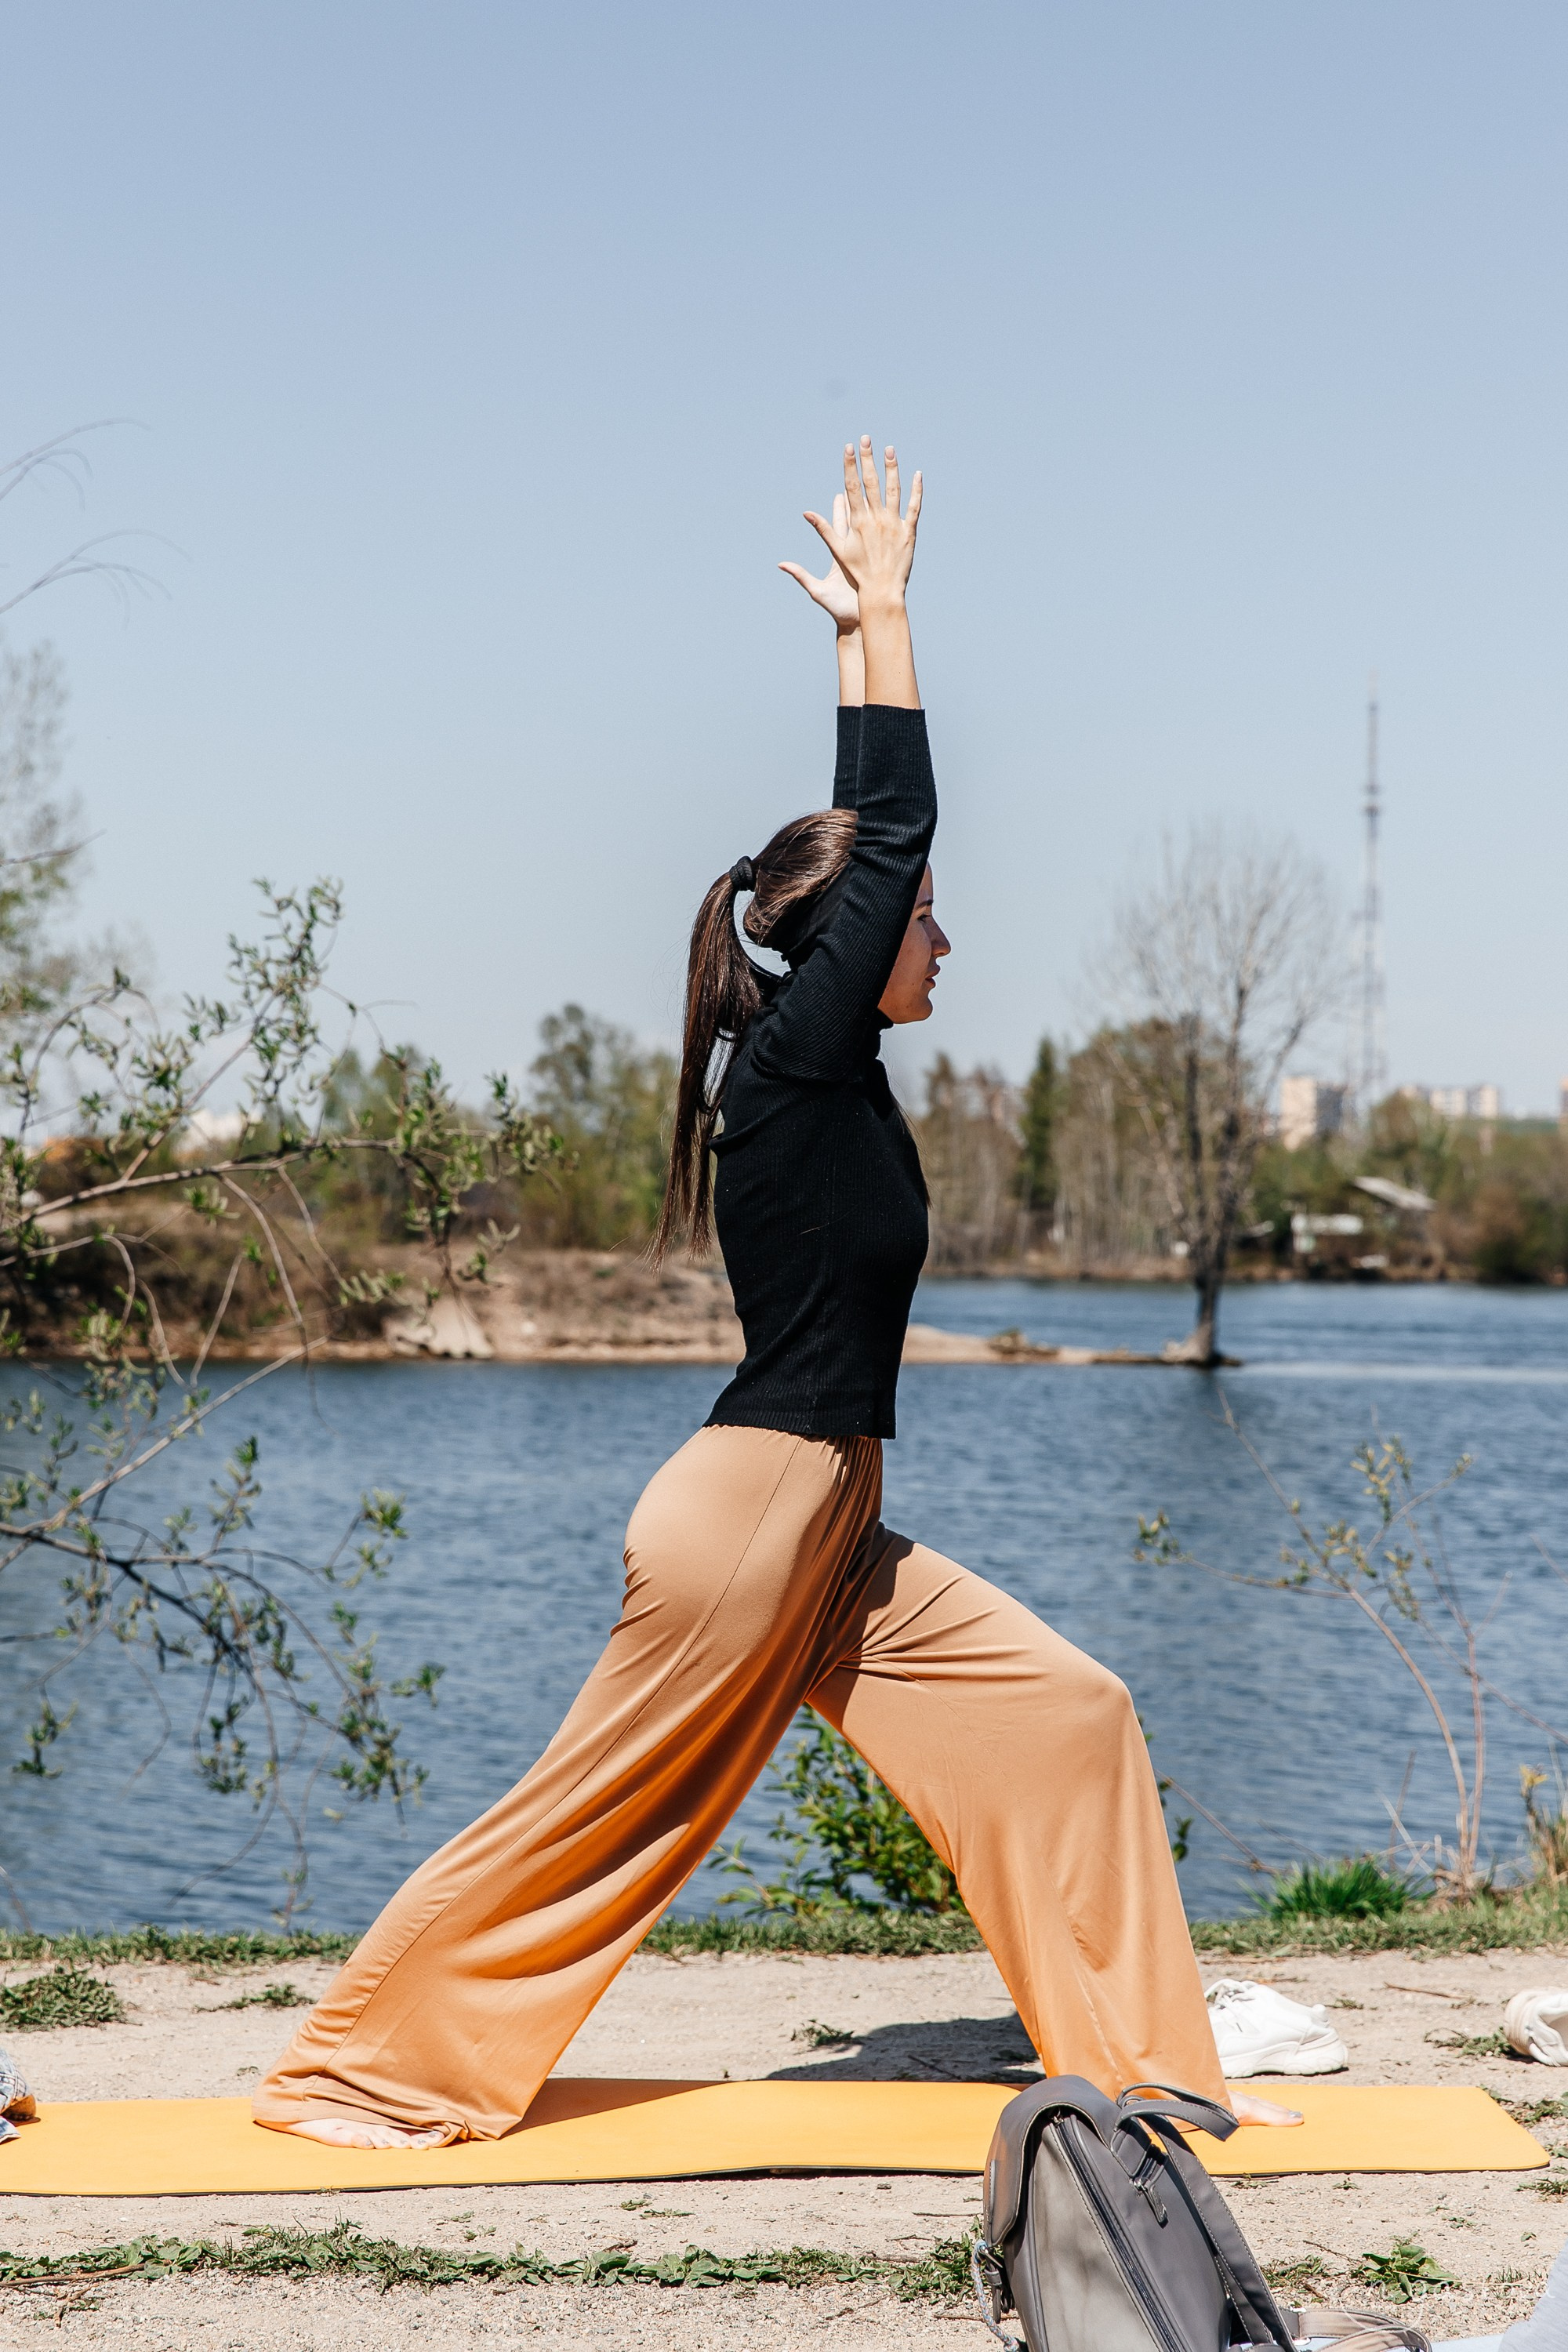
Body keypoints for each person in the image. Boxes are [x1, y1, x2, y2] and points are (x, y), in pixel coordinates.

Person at [253, 438, 1297, 2149]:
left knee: (1066, 1716)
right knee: (606, 1813)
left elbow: (860, 844)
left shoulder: (835, 1072)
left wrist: (839, 651)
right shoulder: (798, 1058)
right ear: (848, 940)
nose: (945, 944)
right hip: (756, 1515)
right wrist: (888, 619)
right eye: (924, 921)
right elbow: (887, 826)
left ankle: (1139, 2071)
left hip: (831, 1530)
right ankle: (357, 2071)